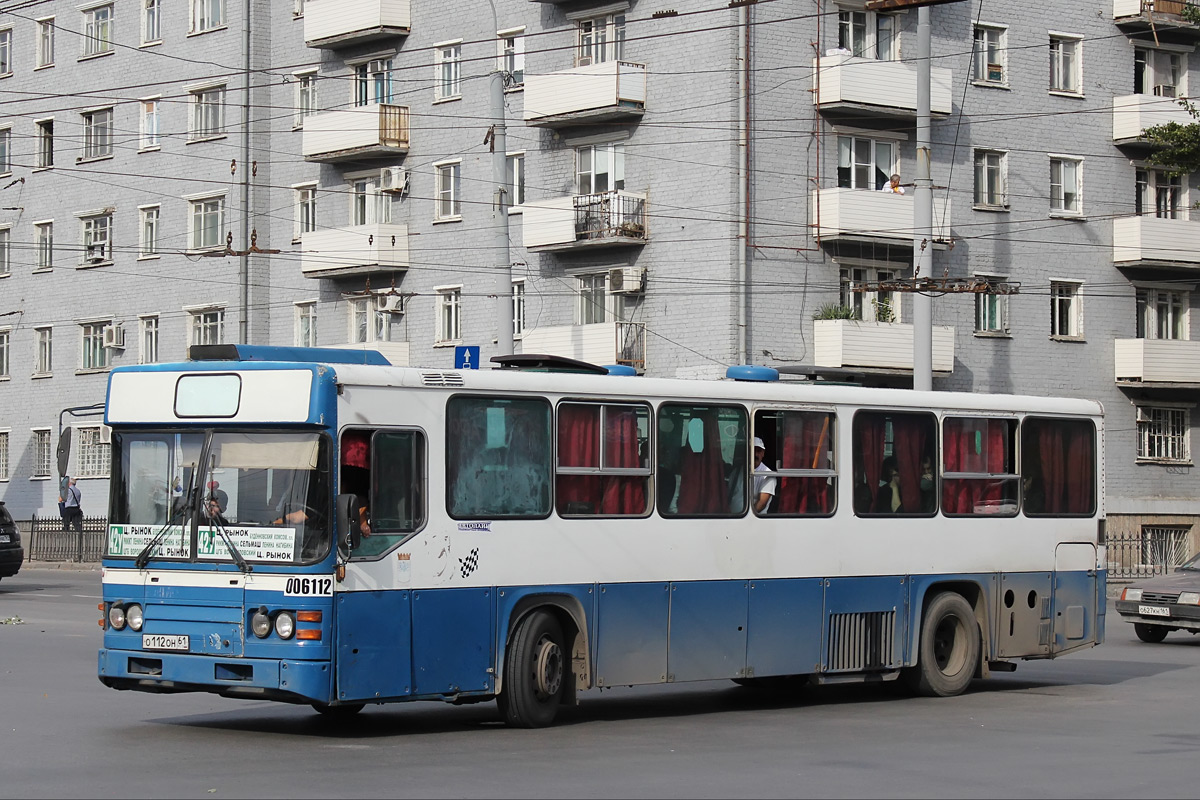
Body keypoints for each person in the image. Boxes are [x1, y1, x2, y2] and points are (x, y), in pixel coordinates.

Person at [751, 437, 777, 514]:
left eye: (759, 451)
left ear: (763, 454)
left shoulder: (768, 475)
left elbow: (762, 503)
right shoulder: (738, 471)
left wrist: (742, 520)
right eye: (753, 450)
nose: (755, 454)